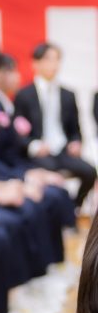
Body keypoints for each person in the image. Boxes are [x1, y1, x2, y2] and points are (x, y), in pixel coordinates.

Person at [13, 42, 97, 208]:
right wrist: (35, 146)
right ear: (36, 63)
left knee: (90, 171)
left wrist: (76, 142)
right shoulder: (24, 95)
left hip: (62, 150)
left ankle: (73, 208)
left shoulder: (68, 94)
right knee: (50, 175)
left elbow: (75, 129)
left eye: (57, 59)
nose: (54, 64)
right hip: (39, 153)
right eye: (48, 59)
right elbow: (17, 132)